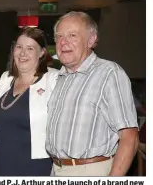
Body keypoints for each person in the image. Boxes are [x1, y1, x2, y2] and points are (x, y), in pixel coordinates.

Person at [45, 11, 138, 176]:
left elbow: (129, 137)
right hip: (56, 169)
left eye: (72, 35)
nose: (63, 42)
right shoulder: (61, 78)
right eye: (59, 36)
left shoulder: (109, 73)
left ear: (91, 40)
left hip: (91, 171)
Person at [0, 27, 59, 176]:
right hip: (4, 164)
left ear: (42, 53)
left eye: (30, 48)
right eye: (19, 47)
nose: (22, 53)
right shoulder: (6, 78)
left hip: (37, 166)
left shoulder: (54, 79)